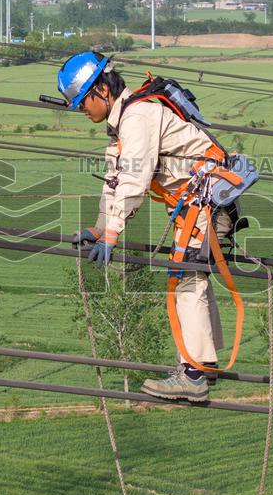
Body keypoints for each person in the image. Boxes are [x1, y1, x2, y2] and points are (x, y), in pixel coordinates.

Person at [58, 51, 233, 403]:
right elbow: (115, 181)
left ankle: (194, 375)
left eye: (82, 102)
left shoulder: (137, 118)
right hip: (200, 200)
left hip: (208, 199)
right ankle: (206, 364)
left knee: (187, 277)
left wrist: (112, 234)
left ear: (102, 91)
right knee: (191, 275)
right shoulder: (121, 124)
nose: (81, 110)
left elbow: (134, 181)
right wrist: (100, 228)